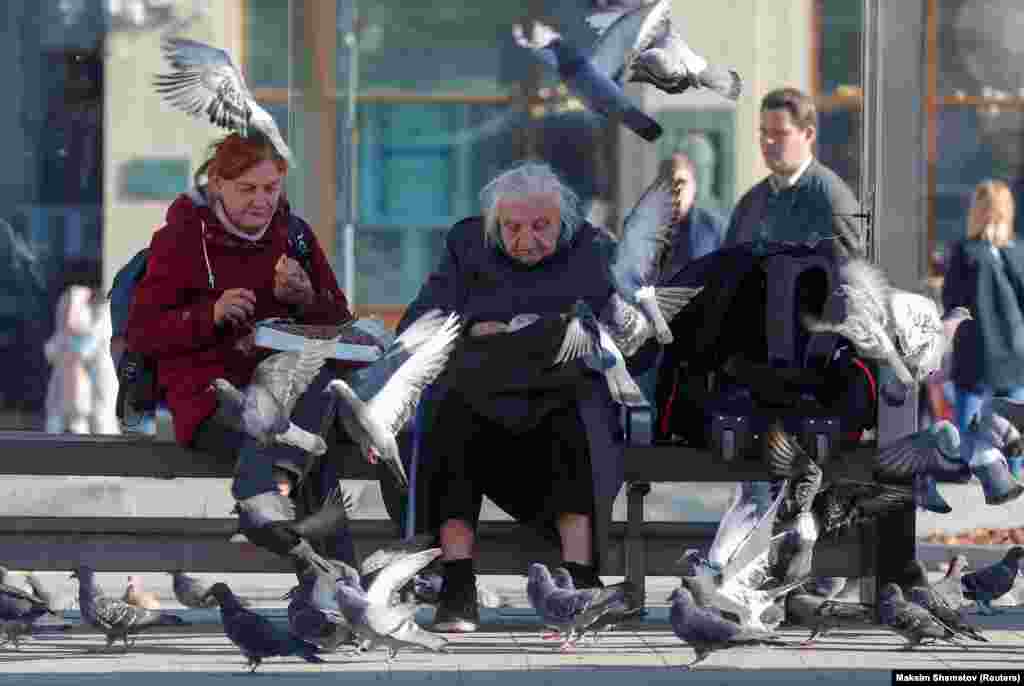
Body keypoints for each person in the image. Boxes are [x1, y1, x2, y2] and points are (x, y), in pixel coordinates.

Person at [396, 161, 647, 633]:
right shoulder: (467, 243)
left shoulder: (588, 248)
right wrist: (469, 324)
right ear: (494, 224)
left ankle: (579, 580)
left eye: (540, 226)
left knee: (579, 416)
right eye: (511, 227)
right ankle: (457, 584)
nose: (526, 239)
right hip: (479, 394)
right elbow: (423, 315)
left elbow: (621, 325)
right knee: (449, 415)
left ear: (563, 222)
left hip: (557, 397)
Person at [125, 131, 361, 569]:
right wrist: (210, 314)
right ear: (217, 184)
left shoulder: (296, 236)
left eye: (271, 188)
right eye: (247, 189)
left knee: (319, 398)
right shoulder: (180, 239)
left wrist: (308, 297)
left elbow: (341, 328)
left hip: (290, 393)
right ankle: (341, 590)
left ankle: (269, 494)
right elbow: (143, 333)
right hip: (212, 397)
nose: (261, 201)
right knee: (312, 447)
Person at [723, 87, 865, 263]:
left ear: (808, 134)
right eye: (764, 132)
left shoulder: (831, 200)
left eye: (779, 133)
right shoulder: (750, 204)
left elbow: (852, 281)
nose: (768, 141)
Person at [942, 179, 1024, 461]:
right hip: (1014, 352)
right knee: (1014, 425)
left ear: (977, 211)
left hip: (975, 348)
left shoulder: (965, 252)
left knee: (968, 425)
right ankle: (1013, 475)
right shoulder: (1017, 252)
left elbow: (952, 300)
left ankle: (967, 474)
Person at [648, 151, 725, 441]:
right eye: (669, 184)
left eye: (682, 182)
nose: (676, 191)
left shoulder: (714, 227)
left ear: (695, 185)